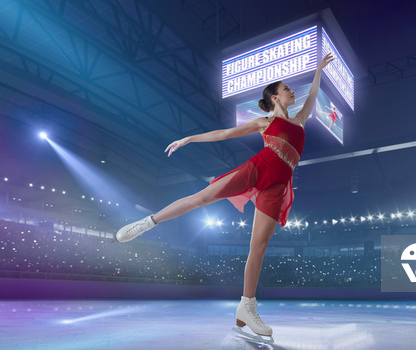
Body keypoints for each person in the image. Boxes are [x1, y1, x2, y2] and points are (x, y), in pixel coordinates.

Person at [116, 53, 334, 341]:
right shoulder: (264, 122)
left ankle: (247, 307)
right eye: (287, 89)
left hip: (278, 186)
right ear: (274, 98)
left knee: (259, 247)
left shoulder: (301, 120)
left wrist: (319, 70)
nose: (293, 92)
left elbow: (314, 95)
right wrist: (189, 138)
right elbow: (224, 133)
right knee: (202, 198)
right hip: (257, 169)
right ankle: (148, 222)